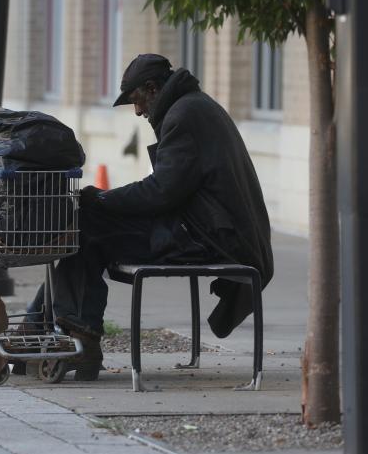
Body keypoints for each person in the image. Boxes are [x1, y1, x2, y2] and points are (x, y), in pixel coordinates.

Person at [46, 53, 274, 380]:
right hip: (206, 227)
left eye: (136, 101)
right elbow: (169, 190)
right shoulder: (194, 106)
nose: (137, 111)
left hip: (211, 238)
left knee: (86, 226)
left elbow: (161, 191)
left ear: (152, 89)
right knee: (86, 227)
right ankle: (56, 330)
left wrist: (102, 198)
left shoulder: (184, 115)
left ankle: (74, 339)